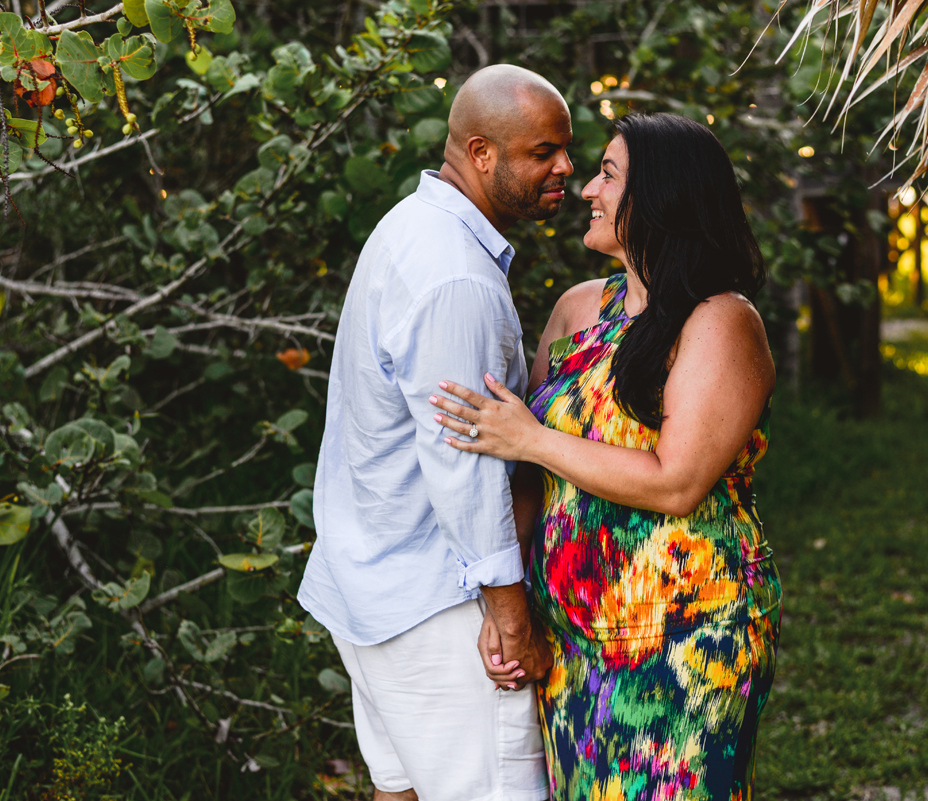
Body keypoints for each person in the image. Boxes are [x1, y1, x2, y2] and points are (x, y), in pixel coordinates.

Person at [430, 112, 782, 801]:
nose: (587, 187)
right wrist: (512, 606)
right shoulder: (578, 309)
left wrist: (528, 435)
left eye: (609, 174)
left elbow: (676, 481)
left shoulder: (721, 322)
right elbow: (526, 472)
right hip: (572, 635)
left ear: (663, 196)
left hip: (683, 635)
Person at [296, 64, 573, 801]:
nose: (566, 168)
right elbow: (465, 460)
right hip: (438, 609)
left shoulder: (410, 230)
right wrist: (510, 615)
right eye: (543, 152)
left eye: (566, 150)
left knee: (400, 790)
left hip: (375, 583)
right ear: (481, 153)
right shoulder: (455, 275)